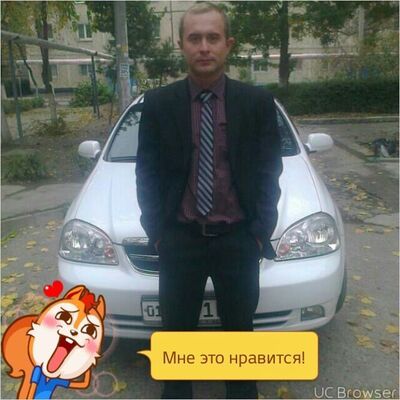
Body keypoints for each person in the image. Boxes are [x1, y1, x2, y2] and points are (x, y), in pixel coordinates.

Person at [136, 3, 283, 398]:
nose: (204, 47)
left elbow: (269, 172)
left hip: (238, 240)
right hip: (180, 240)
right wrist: (159, 233)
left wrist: (258, 233)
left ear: (228, 44)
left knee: (239, 334)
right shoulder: (159, 104)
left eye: (213, 38)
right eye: (195, 38)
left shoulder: (256, 103)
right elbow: (147, 172)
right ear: (181, 45)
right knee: (177, 336)